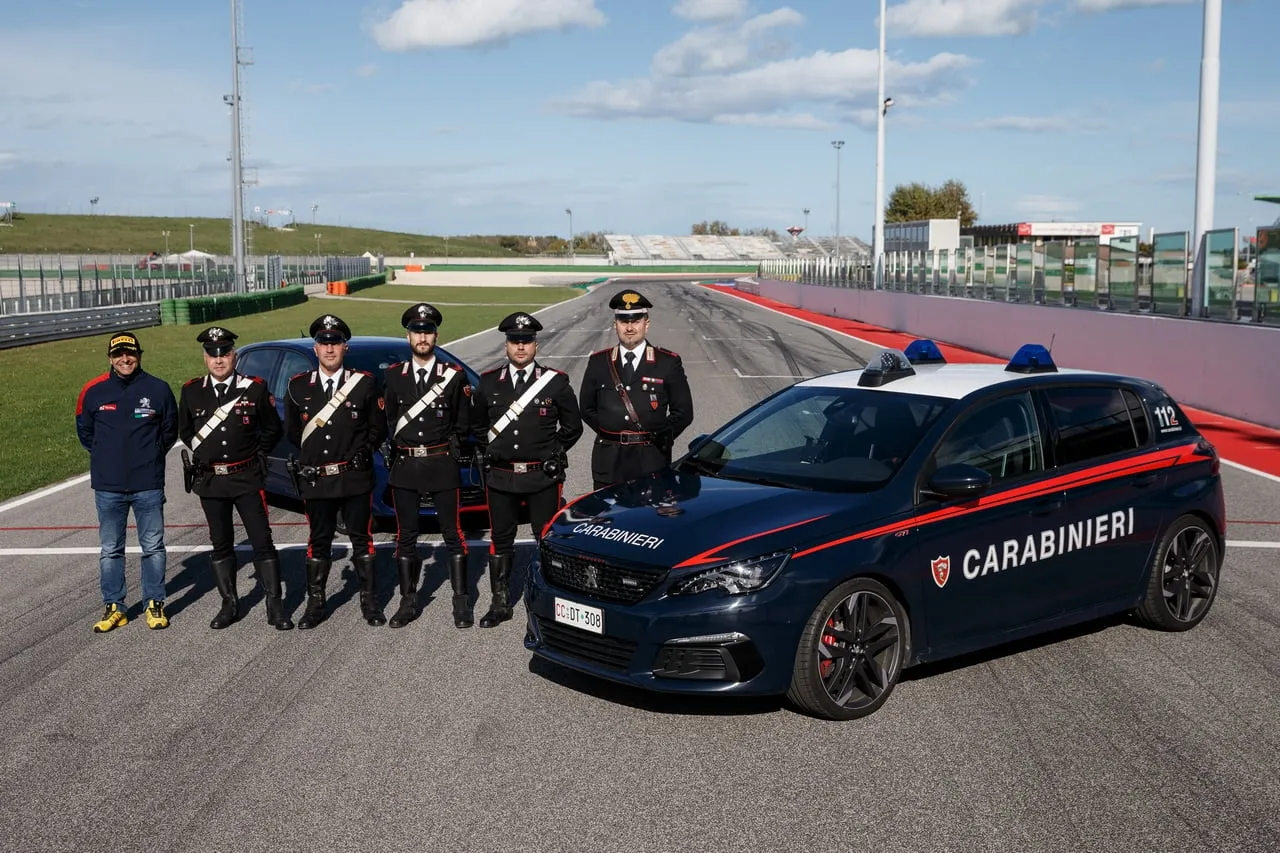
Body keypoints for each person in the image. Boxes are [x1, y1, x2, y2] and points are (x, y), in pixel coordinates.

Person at [471, 312, 582, 628]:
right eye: (515, 341)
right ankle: (500, 601)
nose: (521, 347)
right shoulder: (489, 382)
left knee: (545, 538)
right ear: (507, 344)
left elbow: (572, 426)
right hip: (502, 476)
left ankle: (550, 602)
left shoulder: (555, 382)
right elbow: (477, 425)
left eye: (527, 341)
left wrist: (553, 452)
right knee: (501, 538)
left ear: (535, 344)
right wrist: (493, 450)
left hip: (541, 476)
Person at [178, 326, 291, 631]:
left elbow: (272, 429)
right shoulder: (191, 391)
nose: (219, 360)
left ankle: (274, 605)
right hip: (212, 481)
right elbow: (186, 431)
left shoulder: (253, 388)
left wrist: (257, 453)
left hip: (246, 477)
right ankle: (229, 604)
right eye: (213, 354)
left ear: (234, 356)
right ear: (205, 358)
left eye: (224, 353)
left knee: (261, 540)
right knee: (221, 543)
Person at [283, 314, 386, 629]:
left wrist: (360, 454)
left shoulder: (365, 383)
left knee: (361, 538)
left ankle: (370, 602)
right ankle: (316, 604)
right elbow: (291, 432)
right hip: (318, 480)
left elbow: (377, 428)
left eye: (335, 343)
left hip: (354, 477)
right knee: (319, 539)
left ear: (345, 347)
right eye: (324, 343)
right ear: (315, 348)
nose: (329, 349)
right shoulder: (298, 386)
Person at [75, 332, 178, 632]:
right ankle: (114, 606)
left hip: (147, 482)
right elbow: (85, 433)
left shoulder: (158, 389)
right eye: (118, 354)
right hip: (108, 486)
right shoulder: (93, 391)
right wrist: (108, 458)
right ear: (110, 358)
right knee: (110, 549)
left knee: (153, 546)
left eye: (130, 353)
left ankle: (154, 603)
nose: (125, 359)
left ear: (139, 355)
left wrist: (149, 456)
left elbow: (170, 431)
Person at [382, 302, 473, 629]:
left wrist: (447, 450)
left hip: (440, 464)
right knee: (406, 535)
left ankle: (461, 601)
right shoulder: (394, 377)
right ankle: (408, 601)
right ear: (408, 336)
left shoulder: (453, 376)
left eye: (428, 331)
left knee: (453, 533)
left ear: (436, 335)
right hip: (406, 467)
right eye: (417, 332)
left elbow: (463, 424)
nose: (423, 337)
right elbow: (390, 419)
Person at [579, 289, 694, 490]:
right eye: (624, 321)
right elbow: (586, 408)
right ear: (615, 325)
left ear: (646, 324)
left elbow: (684, 413)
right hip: (609, 460)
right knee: (608, 519)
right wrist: (611, 433)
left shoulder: (667, 362)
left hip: (651, 460)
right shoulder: (598, 362)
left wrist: (657, 439)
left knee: (648, 520)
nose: (630, 328)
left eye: (636, 321)